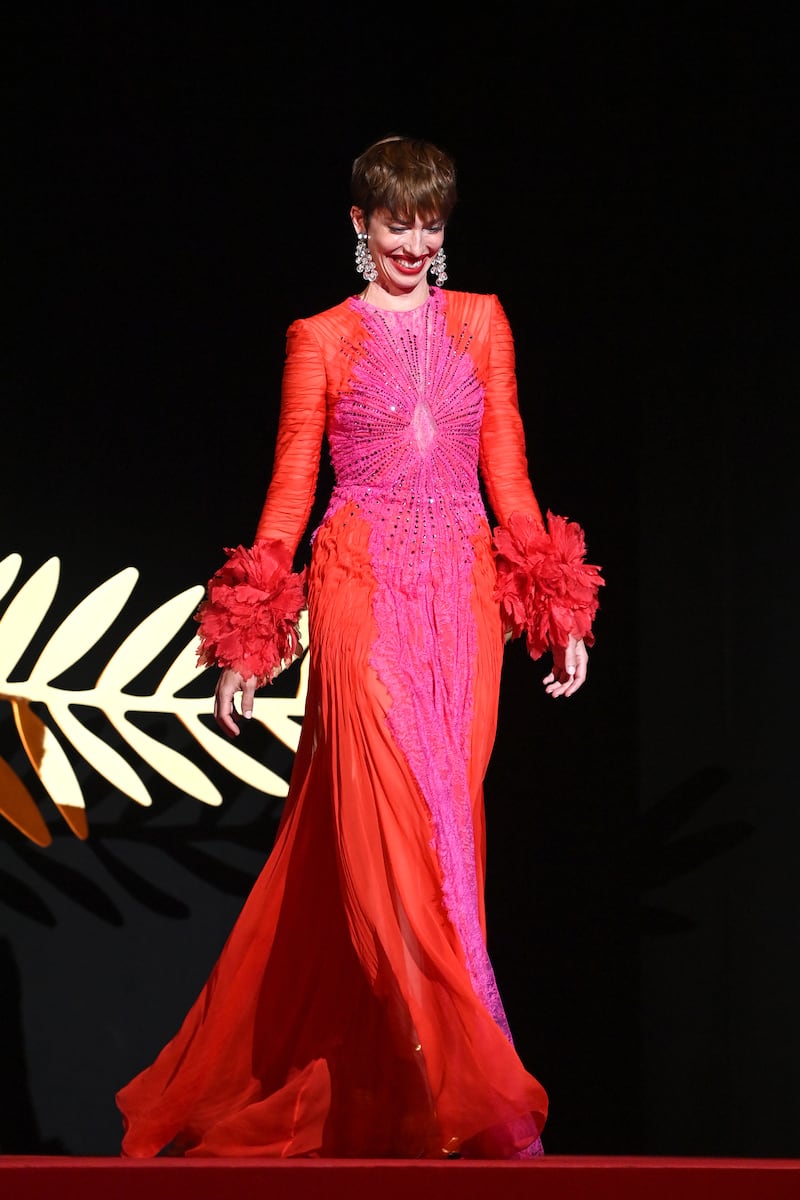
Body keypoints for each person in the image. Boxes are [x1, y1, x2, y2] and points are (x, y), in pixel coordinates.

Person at [115, 134, 604, 1160]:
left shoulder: (480, 323)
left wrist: (556, 611)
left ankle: (427, 1096)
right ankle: (483, 1095)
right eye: (396, 223)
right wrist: (250, 638)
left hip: (461, 597)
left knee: (445, 834)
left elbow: (507, 480)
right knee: (391, 839)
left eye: (431, 223)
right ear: (358, 225)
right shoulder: (320, 338)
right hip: (358, 592)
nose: (415, 243)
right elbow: (291, 492)